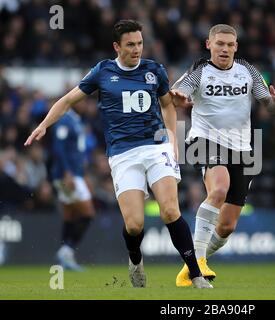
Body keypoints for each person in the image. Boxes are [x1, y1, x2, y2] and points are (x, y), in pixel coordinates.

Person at [25, 20, 212, 289]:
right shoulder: (103, 72)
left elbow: (168, 105)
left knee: (170, 210)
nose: (137, 49)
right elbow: (67, 101)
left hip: (155, 147)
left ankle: (195, 274)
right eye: (130, 45)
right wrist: (44, 125)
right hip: (123, 154)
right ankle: (135, 260)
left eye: (139, 43)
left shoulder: (154, 70)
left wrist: (172, 139)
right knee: (134, 225)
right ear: (117, 46)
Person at [171, 24, 275, 287]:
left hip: (243, 149)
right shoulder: (199, 71)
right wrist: (177, 98)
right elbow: (177, 93)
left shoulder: (248, 71)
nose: (225, 49)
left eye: (230, 44)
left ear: (236, 46)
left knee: (226, 227)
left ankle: (192, 262)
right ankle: (197, 265)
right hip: (205, 141)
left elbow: (268, 105)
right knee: (219, 189)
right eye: (219, 43)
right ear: (208, 44)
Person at [51, 103, 95, 271]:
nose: (84, 103)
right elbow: (59, 147)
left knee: (70, 214)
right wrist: (68, 172)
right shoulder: (65, 119)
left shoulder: (76, 120)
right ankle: (66, 250)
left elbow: (75, 150)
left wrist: (81, 173)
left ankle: (65, 255)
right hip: (66, 175)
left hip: (74, 174)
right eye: (81, 100)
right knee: (88, 213)